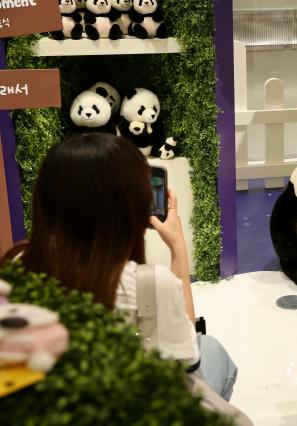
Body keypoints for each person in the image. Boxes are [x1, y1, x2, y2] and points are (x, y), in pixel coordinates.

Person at [3, 133, 237, 402]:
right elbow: (189, 367)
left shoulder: (18, 262)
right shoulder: (148, 284)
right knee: (211, 350)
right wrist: (178, 248)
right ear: (131, 205)